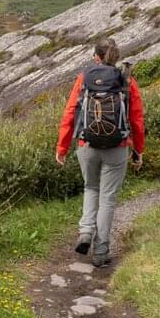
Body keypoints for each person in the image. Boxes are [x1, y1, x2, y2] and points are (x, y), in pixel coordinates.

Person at [55, 37, 145, 267]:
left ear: (95, 57)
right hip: (117, 148)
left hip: (87, 146)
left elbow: (69, 114)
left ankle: (85, 232)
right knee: (107, 199)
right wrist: (139, 150)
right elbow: (136, 119)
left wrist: (62, 147)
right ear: (115, 58)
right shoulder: (127, 81)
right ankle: (101, 251)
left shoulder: (83, 79)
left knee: (90, 188)